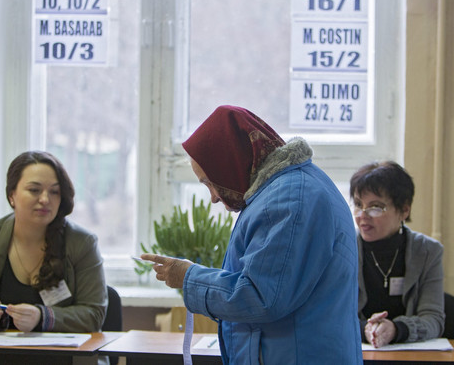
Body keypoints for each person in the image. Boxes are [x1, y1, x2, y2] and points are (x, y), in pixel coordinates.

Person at [141, 105, 362, 364]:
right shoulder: (287, 189)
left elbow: (262, 297)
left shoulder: (288, 199)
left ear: (229, 163)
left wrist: (189, 277)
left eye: (210, 182)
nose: (213, 197)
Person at [0, 150, 108, 333]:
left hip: (62, 358)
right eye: (34, 190)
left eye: (54, 192)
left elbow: (93, 314)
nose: (45, 199)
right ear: (12, 195)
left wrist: (42, 317)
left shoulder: (82, 243)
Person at [350, 161, 444, 348]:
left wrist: (395, 329)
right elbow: (332, 315)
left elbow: (433, 319)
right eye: (359, 205)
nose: (363, 215)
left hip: (409, 357)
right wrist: (366, 330)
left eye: (375, 206)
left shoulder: (428, 252)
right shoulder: (343, 248)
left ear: (404, 210)